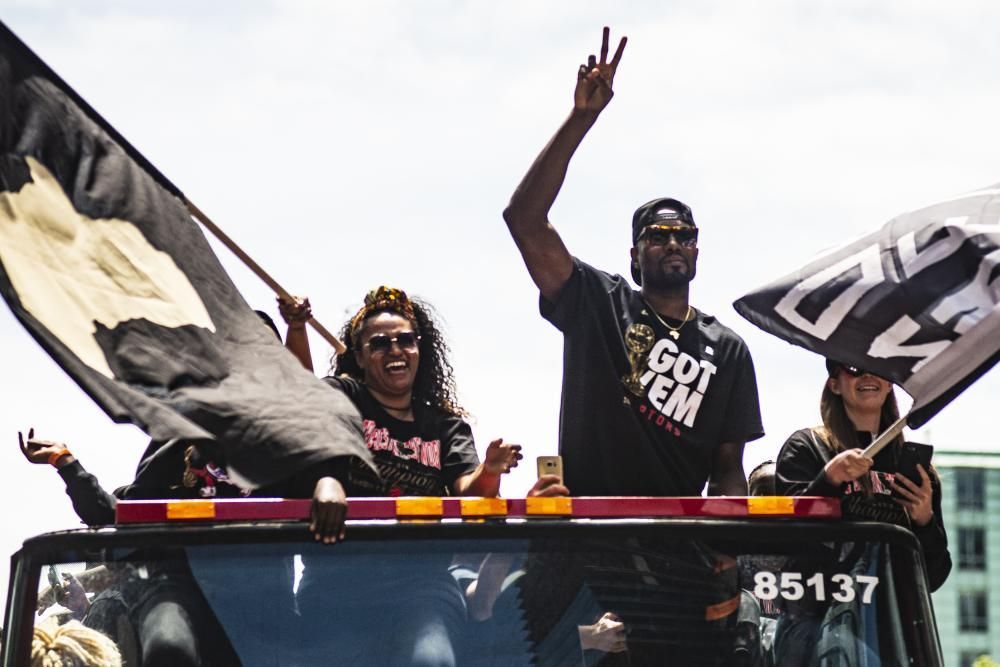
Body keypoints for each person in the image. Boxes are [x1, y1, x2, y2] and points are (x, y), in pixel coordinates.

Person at [502, 27, 764, 496]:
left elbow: (728, 469)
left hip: (677, 550)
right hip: (590, 537)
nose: (673, 243)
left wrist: (728, 551)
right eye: (658, 235)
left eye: (684, 235)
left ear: (697, 251)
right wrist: (582, 118)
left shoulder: (727, 350)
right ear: (635, 256)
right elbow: (524, 220)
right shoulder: (598, 302)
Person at [774, 359, 951, 590]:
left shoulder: (917, 469)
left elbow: (934, 579)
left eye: (879, 368)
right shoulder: (806, 448)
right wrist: (828, 480)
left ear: (889, 384)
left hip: (886, 618)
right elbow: (785, 540)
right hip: (817, 611)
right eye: (855, 368)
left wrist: (924, 521)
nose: (868, 376)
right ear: (834, 385)